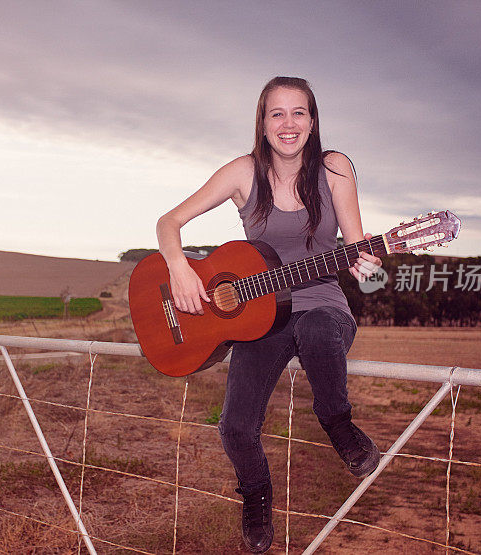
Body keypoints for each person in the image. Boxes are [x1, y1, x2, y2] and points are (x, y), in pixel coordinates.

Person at [155, 76, 382, 553]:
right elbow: (168, 222)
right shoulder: (243, 172)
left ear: (313, 120)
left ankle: (338, 424)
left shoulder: (335, 168)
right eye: (276, 113)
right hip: (258, 317)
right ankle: (256, 496)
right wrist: (179, 268)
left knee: (319, 331)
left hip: (322, 302)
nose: (288, 123)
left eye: (298, 112)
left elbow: (360, 251)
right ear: (262, 122)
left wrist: (371, 271)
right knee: (236, 427)